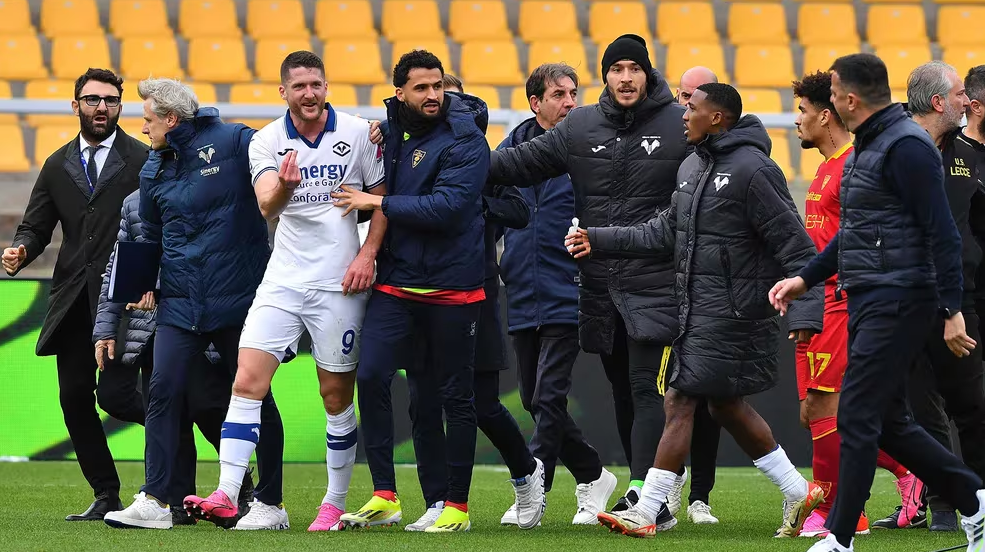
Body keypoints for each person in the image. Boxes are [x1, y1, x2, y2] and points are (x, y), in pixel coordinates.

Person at [567, 83, 825, 539]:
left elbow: (797, 247)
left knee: (680, 398)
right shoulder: (692, 166)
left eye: (693, 107)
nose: (683, 114)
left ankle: (647, 511)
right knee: (725, 406)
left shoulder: (755, 171)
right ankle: (798, 490)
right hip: (694, 310)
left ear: (718, 118)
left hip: (735, 314)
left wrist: (805, 317)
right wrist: (598, 238)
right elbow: (661, 232)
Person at [769, 52, 985, 552]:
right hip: (868, 294)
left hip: (901, 297)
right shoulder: (870, 147)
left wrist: (951, 310)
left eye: (834, 93)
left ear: (848, 98)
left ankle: (840, 537)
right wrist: (805, 279)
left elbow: (943, 234)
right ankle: (974, 499)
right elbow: (855, 234)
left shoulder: (906, 147)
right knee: (889, 422)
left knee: (859, 414)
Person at [486, 33, 692, 519]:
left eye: (633, 69)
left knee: (645, 387)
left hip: (656, 278)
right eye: (616, 69)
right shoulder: (581, 126)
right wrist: (446, 156)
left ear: (647, 74)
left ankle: (649, 494)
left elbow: (736, 141)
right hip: (599, 285)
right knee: (623, 388)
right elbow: (514, 164)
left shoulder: (678, 124)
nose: (625, 78)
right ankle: (647, 491)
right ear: (607, 76)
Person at [183, 50, 387, 532]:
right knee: (246, 381)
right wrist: (287, 188)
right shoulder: (267, 141)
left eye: (316, 84)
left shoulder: (358, 132)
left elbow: (382, 202)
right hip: (283, 281)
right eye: (299, 87)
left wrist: (367, 255)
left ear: (326, 85)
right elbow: (266, 206)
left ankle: (334, 502)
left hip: (340, 283)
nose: (310, 93)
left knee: (334, 396)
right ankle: (227, 493)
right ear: (284, 93)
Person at [103, 78, 286, 530]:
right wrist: (143, 281)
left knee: (256, 396)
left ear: (170, 118)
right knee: (162, 392)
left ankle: (270, 503)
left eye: (147, 120)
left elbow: (287, 144)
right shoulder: (153, 169)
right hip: (181, 302)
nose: (142, 129)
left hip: (238, 298)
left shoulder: (236, 140)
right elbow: (150, 231)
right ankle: (155, 501)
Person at [370, 73, 547, 531]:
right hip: (420, 287)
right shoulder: (412, 148)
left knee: (479, 401)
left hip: (476, 289)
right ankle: (436, 503)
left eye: (445, 96)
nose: (436, 102)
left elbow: (519, 211)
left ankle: (527, 472)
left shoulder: (476, 155)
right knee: (422, 399)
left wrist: (471, 204)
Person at [332, 49, 489, 533]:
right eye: (421, 88)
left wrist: (374, 200)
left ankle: (455, 507)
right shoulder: (391, 129)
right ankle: (384, 495)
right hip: (397, 283)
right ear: (400, 92)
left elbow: (447, 208)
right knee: (372, 375)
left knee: (447, 398)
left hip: (451, 288)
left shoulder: (467, 140)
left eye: (437, 86)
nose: (433, 96)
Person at [2, 68, 147, 522]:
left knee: (121, 398)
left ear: (120, 107)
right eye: (91, 99)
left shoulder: (144, 159)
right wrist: (21, 249)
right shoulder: (56, 162)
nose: (100, 107)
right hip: (72, 300)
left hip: (125, 301)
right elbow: (36, 225)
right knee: (74, 397)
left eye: (109, 99)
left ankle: (185, 462)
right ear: (75, 106)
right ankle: (106, 493)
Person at [790, 71, 927, 537]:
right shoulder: (824, 168)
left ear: (826, 114)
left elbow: (864, 237)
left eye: (804, 112)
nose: (797, 121)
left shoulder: (854, 166)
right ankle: (911, 472)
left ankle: (841, 512)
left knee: (828, 409)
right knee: (814, 411)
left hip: (842, 302)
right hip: (814, 304)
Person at [496, 63, 615, 527]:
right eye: (559, 94)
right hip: (523, 287)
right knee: (530, 397)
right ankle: (591, 474)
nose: (570, 102)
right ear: (535, 103)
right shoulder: (511, 149)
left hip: (570, 288)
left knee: (547, 395)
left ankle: (534, 489)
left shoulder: (589, 147)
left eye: (573, 93)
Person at [92, 188, 256, 525]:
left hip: (200, 322)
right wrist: (105, 329)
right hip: (151, 327)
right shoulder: (134, 203)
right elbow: (118, 268)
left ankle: (242, 487)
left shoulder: (208, 195)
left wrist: (159, 287)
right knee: (164, 409)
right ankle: (176, 501)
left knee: (208, 408)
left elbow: (214, 262)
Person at [901, 60, 985, 533]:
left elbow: (966, 231)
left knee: (969, 406)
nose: (965, 102)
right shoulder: (891, 144)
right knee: (916, 406)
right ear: (938, 101)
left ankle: (979, 502)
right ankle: (944, 503)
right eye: (957, 95)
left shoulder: (965, 150)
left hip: (959, 296)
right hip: (908, 297)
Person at [670, 65, 723, 525]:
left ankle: (696, 494)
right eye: (680, 96)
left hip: (713, 295)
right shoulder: (675, 144)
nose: (684, 106)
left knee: (712, 402)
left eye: (692, 99)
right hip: (670, 284)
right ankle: (662, 492)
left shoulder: (742, 156)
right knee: (674, 396)